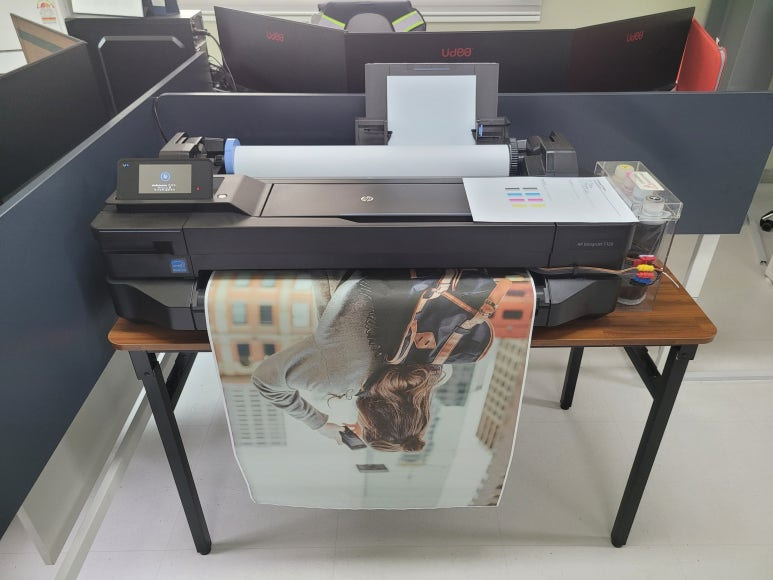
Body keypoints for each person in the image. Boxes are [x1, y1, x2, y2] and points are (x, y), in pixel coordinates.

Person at [251, 270, 443, 453]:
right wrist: (318, 424)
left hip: (412, 263)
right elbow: (265, 381)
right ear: (370, 421)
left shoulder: (433, 366)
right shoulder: (337, 377)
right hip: (340, 255)